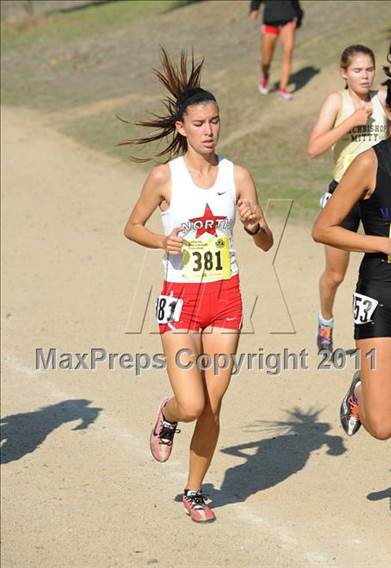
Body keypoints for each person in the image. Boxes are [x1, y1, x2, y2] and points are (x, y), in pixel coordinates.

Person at [122, 49, 273, 523]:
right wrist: (158, 239)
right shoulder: (164, 177)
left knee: (213, 403)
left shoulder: (238, 176)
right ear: (181, 128)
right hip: (180, 302)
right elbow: (132, 226)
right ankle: (167, 416)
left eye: (215, 121)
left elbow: (265, 243)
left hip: (225, 298)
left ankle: (194, 490)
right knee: (191, 402)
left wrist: (253, 224)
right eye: (200, 122)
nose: (210, 130)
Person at [312, 25, 391, 556]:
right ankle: (363, 388)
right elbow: (324, 228)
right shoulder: (367, 163)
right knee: (382, 425)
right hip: (380, 292)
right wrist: (383, 243)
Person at [307, 45, 388, 352]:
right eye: (357, 70)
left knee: (390, 264)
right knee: (336, 274)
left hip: (380, 198)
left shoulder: (382, 100)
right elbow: (314, 149)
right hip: (343, 195)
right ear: (344, 73)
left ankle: (387, 329)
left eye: (369, 69)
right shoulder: (336, 101)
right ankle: (325, 320)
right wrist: (350, 122)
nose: (364, 76)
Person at [249, 0, 303, 99]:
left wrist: (298, 17)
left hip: (288, 20)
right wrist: (254, 8)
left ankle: (283, 89)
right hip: (270, 21)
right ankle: (265, 77)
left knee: (288, 53)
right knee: (266, 61)